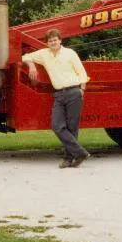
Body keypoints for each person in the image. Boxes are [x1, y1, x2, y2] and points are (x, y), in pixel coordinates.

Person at [21, 29, 91, 168]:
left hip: (74, 92)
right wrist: (32, 65)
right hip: (59, 94)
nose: (53, 42)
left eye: (55, 40)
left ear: (60, 40)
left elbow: (82, 72)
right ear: (47, 43)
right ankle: (80, 152)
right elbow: (25, 56)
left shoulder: (70, 53)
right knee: (57, 126)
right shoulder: (44, 54)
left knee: (72, 128)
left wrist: (81, 89)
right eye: (50, 40)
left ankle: (69, 159)